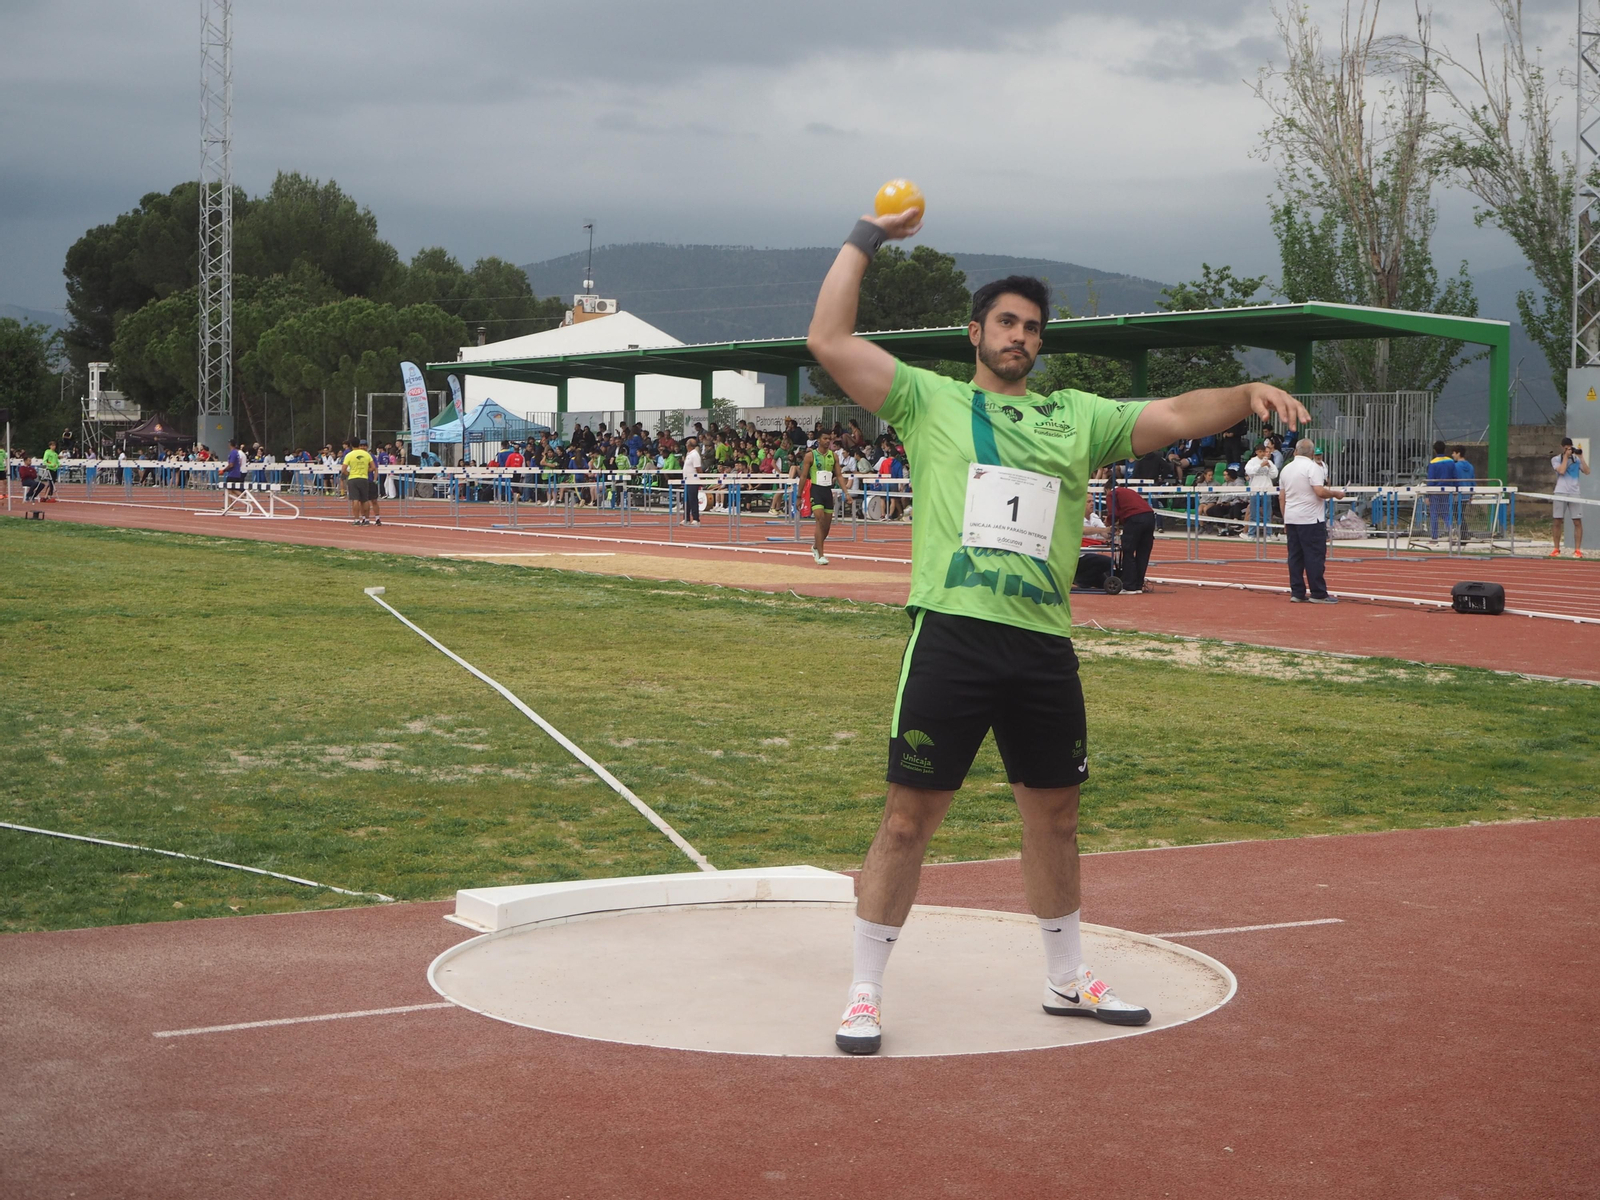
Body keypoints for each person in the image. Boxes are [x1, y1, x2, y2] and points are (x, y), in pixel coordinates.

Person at [807, 203, 1311, 1055]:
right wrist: (867, 235)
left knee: (1057, 817)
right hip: (954, 634)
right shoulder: (928, 401)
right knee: (906, 820)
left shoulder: (1074, 417)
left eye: (1033, 328)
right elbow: (828, 339)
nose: (1021, 337)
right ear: (976, 332)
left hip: (1042, 645)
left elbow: (1182, 412)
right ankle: (863, 992)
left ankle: (1066, 977)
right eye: (1007, 323)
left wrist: (1245, 394)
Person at [1279, 438, 1344, 602]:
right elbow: (1320, 492)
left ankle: (1297, 592)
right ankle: (1318, 592)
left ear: (1295, 451)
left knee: (1295, 556)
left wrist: (1285, 518)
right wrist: (1336, 494)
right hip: (1310, 518)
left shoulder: (1286, 469)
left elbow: (1282, 497)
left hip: (1292, 517)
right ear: (1312, 453)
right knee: (1314, 556)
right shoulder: (1313, 467)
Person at [1106, 481, 1156, 592]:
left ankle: (1129, 585)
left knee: (1128, 551)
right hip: (1150, 517)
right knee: (1143, 553)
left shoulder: (1111, 494)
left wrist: (1109, 523)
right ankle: (1138, 585)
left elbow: (1113, 514)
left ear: (1107, 489)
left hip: (1135, 519)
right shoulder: (1129, 491)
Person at [801, 431, 841, 564]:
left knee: (826, 526)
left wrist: (846, 492)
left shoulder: (833, 456)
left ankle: (815, 546)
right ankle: (821, 555)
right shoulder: (810, 456)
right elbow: (803, 476)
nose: (827, 441)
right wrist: (798, 495)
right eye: (825, 438)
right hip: (816, 490)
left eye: (829, 439)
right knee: (820, 519)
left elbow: (839, 475)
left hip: (827, 491)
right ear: (818, 440)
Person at [1551, 437, 1590, 557]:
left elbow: (1587, 471)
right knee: (1557, 520)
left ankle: (1577, 549)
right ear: (1562, 448)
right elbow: (1561, 471)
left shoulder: (1576, 460)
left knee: (1577, 521)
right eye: (1566, 448)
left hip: (1574, 493)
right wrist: (1566, 458)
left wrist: (1581, 457)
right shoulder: (1556, 459)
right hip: (1560, 492)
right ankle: (1556, 548)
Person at [1244, 441, 1278, 536]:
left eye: (1264, 451)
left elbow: (1274, 475)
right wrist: (1260, 465)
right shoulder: (1252, 461)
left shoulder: (1269, 461)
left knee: (1267, 514)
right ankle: (1252, 534)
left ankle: (1268, 534)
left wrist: (1269, 466)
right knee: (1253, 514)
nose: (1263, 453)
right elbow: (1249, 472)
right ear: (1257, 452)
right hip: (1255, 491)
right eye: (1261, 452)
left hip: (1266, 490)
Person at [342, 437, 379, 525]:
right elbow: (373, 467)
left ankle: (356, 520)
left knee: (355, 500)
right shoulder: (367, 454)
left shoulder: (349, 455)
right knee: (365, 500)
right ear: (359, 444)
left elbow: (343, 469)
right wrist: (365, 471)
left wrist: (350, 474)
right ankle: (366, 519)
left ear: (351, 445)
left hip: (353, 478)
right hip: (364, 478)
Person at [1426, 440, 1455, 542]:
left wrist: (1427, 495)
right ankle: (1451, 528)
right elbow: (1454, 476)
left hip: (1435, 491)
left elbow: (1430, 479)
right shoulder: (1451, 461)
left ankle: (1434, 536)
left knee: (1434, 514)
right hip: (1448, 490)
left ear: (1435, 450)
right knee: (1446, 512)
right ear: (1445, 449)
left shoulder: (1433, 463)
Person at [1450, 446, 1474, 540]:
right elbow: (1472, 480)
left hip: (1457, 493)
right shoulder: (1470, 466)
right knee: (1460, 514)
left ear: (1458, 453)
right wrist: (1471, 494)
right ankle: (1463, 533)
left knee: (1457, 514)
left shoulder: (1455, 466)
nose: (1452, 455)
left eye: (1453, 453)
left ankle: (1464, 533)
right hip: (1467, 493)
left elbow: (1454, 479)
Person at [682, 436, 703, 526]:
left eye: (687, 443)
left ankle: (696, 519)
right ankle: (686, 518)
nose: (686, 445)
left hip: (693, 480)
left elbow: (698, 468)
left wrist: (700, 478)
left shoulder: (695, 454)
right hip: (687, 480)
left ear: (689, 445)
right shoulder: (688, 454)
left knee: (693, 499)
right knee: (686, 500)